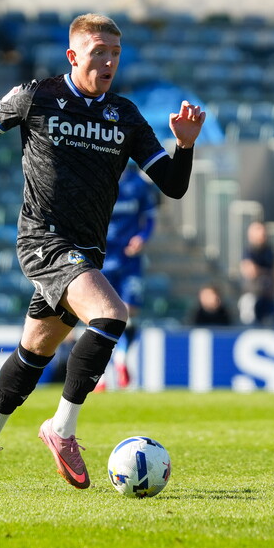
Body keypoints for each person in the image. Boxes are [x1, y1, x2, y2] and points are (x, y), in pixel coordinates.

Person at [0, 13, 205, 491]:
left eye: (115, 54)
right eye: (98, 52)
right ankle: (62, 428)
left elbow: (174, 187)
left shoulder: (126, 116)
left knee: (35, 351)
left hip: (86, 250)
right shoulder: (36, 96)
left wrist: (184, 147)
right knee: (111, 314)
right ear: (73, 55)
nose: (108, 62)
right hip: (44, 239)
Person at [97, 162, 159, 390]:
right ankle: (101, 375)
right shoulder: (98, 181)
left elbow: (150, 219)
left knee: (128, 311)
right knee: (100, 314)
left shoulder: (139, 186)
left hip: (129, 260)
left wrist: (142, 237)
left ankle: (120, 359)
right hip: (102, 258)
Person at [237, 221, 274, 326]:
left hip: (267, 296)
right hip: (251, 295)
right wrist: (265, 271)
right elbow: (250, 271)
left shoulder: (269, 251)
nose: (262, 235)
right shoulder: (248, 251)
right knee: (249, 322)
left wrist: (260, 270)